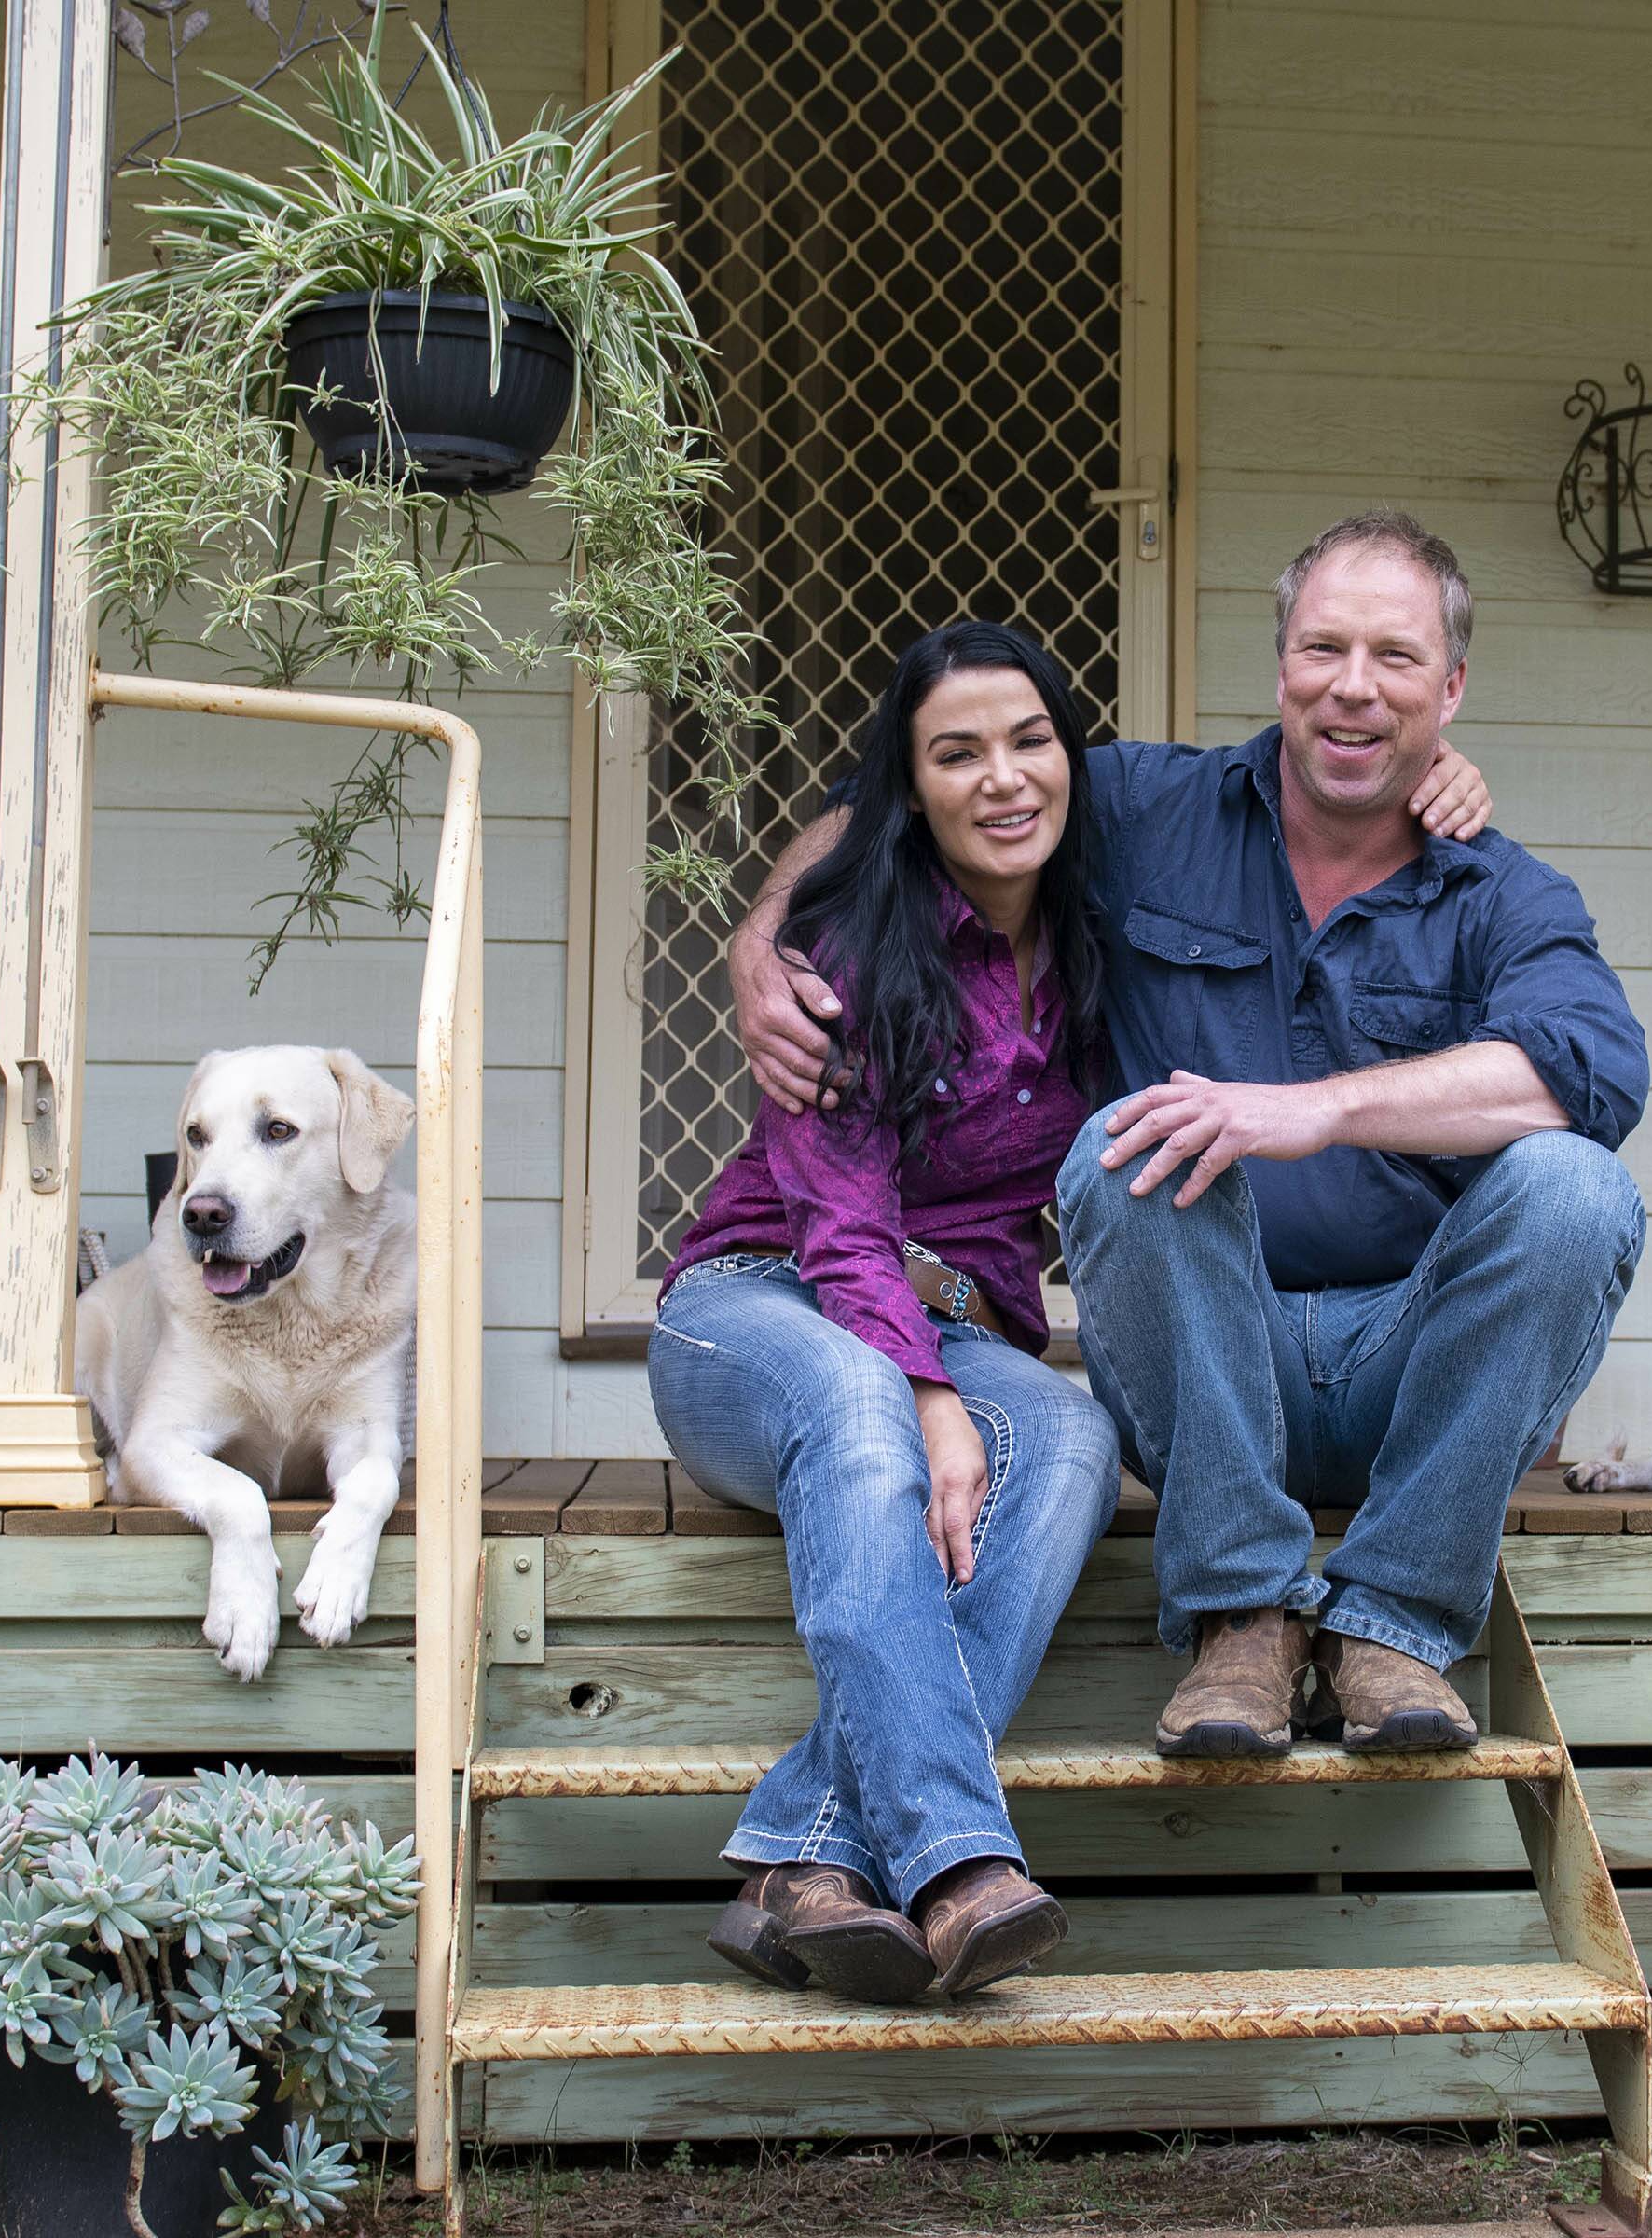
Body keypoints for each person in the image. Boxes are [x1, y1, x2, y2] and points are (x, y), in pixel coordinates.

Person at [731, 512, 1646, 1773]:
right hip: (1207, 1372)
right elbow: (902, 804)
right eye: (1324, 648)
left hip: (1412, 1371)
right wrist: (762, 935)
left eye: (1395, 657)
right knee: (1127, 1138)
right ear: (1279, 667)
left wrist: (1316, 1107)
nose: (1353, 686)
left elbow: (1592, 1071)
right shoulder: (1149, 812)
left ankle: (1393, 1623)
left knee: (1576, 1189)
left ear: (1453, 688)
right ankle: (1241, 1616)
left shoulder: (1504, 893)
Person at [649, 620, 1124, 2003]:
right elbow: (843, 1226)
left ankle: (809, 1854)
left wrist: (1441, 772)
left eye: (1029, 741)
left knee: (1074, 1443)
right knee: (865, 1406)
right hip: (758, 1305)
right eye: (956, 753)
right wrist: (928, 1398)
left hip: (960, 1324)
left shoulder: (1101, 948)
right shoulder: (846, 949)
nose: (1004, 778)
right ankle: (959, 1864)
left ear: (1069, 757)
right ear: (908, 792)